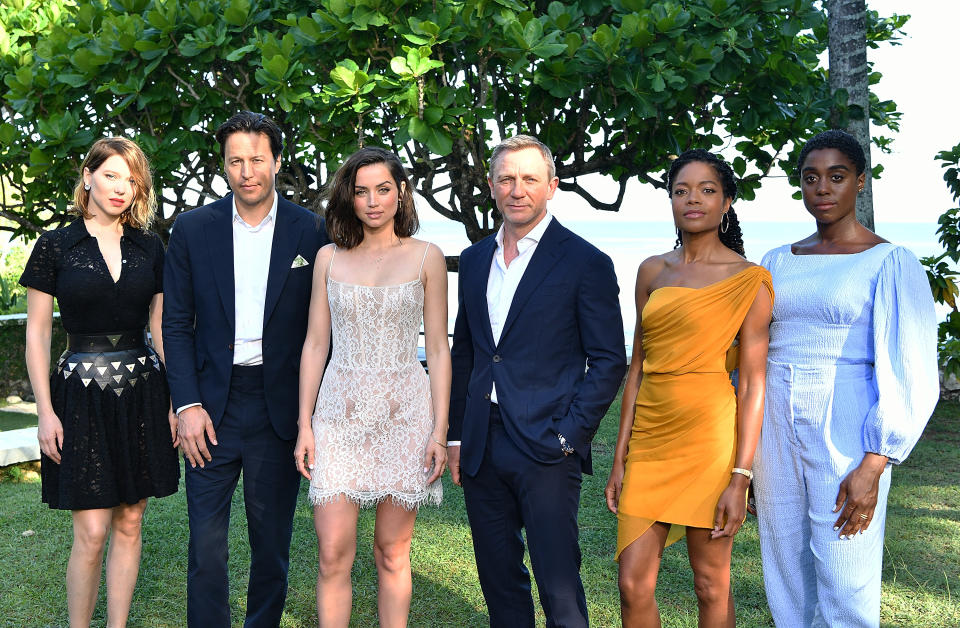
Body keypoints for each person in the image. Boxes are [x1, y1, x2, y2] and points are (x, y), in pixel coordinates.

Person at [753, 129, 939, 627]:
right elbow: (752, 355)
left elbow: (912, 369)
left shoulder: (889, 262)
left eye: (837, 177)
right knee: (786, 568)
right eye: (811, 178)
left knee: (845, 571)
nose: (823, 188)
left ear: (860, 182)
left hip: (847, 423)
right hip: (774, 425)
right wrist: (744, 460)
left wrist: (875, 463)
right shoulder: (777, 261)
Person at [448, 134, 626, 627]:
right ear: (490, 185)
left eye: (529, 178)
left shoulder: (585, 262)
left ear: (551, 186)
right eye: (506, 178)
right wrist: (458, 435)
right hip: (483, 440)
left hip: (548, 443)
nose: (517, 189)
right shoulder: (477, 258)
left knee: (558, 582)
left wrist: (570, 435)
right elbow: (468, 350)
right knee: (498, 578)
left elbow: (609, 359)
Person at [162, 111, 330, 627]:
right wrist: (186, 403)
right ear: (225, 166)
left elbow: (326, 327)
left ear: (277, 161)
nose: (247, 170)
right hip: (210, 404)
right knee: (205, 546)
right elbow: (175, 322)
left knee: (271, 544)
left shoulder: (312, 230)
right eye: (236, 160)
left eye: (257, 159)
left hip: (278, 406)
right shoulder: (192, 228)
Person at [605, 149, 773, 627]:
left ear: (727, 202)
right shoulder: (651, 271)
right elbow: (636, 366)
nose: (692, 199)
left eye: (706, 190)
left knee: (710, 583)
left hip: (710, 442)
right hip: (651, 439)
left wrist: (741, 476)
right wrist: (621, 456)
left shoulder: (749, 280)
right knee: (633, 584)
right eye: (681, 191)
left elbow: (753, 382)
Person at [20, 137, 179, 627]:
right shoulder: (54, 245)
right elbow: (38, 333)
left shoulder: (151, 246)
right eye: (111, 175)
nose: (122, 189)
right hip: (78, 397)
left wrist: (178, 400)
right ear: (87, 176)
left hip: (142, 393)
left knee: (130, 521)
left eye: (131, 181)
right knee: (91, 531)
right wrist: (45, 412)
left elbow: (161, 328)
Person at [294, 146, 450, 627]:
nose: (373, 201)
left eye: (383, 189)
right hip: (339, 415)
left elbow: (440, 349)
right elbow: (315, 344)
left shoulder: (428, 257)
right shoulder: (327, 258)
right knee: (332, 555)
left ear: (401, 192)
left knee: (391, 553)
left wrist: (439, 431)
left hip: (405, 415)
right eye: (362, 192)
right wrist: (305, 425)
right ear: (350, 198)